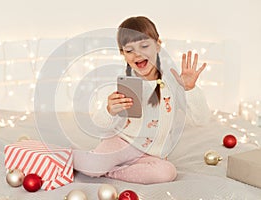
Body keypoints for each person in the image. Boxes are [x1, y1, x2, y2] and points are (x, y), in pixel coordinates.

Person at [73, 16, 210, 184]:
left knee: (166, 173)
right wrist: (109, 110)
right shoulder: (120, 83)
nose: (137, 54)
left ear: (158, 45)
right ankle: (69, 156)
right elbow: (100, 124)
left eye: (144, 46)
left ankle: (111, 172)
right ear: (123, 54)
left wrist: (189, 89)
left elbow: (201, 120)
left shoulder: (173, 83)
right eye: (129, 50)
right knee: (91, 166)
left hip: (151, 155)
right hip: (120, 143)